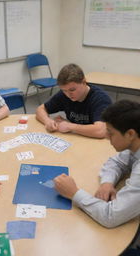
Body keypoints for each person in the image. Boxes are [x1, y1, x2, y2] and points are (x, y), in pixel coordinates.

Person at [54, 100, 140, 228]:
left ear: (130, 134)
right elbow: (116, 162)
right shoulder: (134, 144)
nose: (106, 136)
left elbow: (110, 216)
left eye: (110, 133)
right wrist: (107, 182)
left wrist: (74, 193)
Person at [36, 63, 112, 139]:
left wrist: (70, 126)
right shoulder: (64, 95)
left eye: (72, 90)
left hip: (98, 143)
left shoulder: (100, 99)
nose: (68, 94)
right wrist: (47, 121)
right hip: (77, 138)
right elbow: (40, 109)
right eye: (64, 90)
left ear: (84, 82)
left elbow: (100, 131)